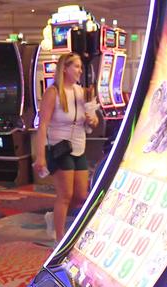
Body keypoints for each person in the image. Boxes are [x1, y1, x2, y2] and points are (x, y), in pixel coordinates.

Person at [33, 52, 99, 242]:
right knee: (65, 195)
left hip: (79, 146)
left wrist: (91, 119)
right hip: (60, 147)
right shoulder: (53, 92)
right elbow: (43, 124)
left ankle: (53, 218)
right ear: (65, 69)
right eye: (76, 67)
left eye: (80, 67)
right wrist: (40, 156)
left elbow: (93, 121)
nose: (79, 70)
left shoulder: (82, 92)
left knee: (80, 196)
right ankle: (59, 239)